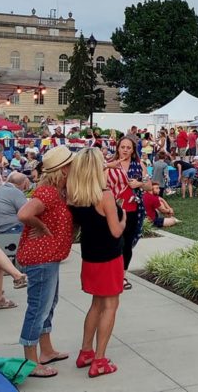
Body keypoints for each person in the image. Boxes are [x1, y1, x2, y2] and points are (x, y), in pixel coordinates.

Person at [15, 146, 75, 378]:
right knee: (38, 307)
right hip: (42, 258)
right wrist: (41, 227)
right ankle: (31, 361)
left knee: (49, 303)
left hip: (50, 257)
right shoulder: (48, 192)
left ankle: (47, 350)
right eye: (70, 165)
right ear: (62, 170)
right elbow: (24, 214)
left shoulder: (58, 191)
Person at [67, 148, 125, 378]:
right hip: (109, 258)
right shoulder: (105, 195)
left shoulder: (75, 196)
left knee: (96, 305)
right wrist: (123, 219)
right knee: (110, 306)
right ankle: (99, 360)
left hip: (89, 257)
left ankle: (86, 351)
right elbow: (115, 231)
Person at [105, 136, 148, 290]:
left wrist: (140, 184)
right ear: (117, 148)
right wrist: (108, 167)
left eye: (128, 147)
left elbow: (150, 186)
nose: (125, 150)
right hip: (111, 208)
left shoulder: (139, 164)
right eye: (122, 147)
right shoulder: (109, 164)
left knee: (127, 243)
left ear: (133, 150)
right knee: (112, 241)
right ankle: (111, 273)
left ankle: (122, 275)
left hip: (132, 208)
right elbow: (99, 182)